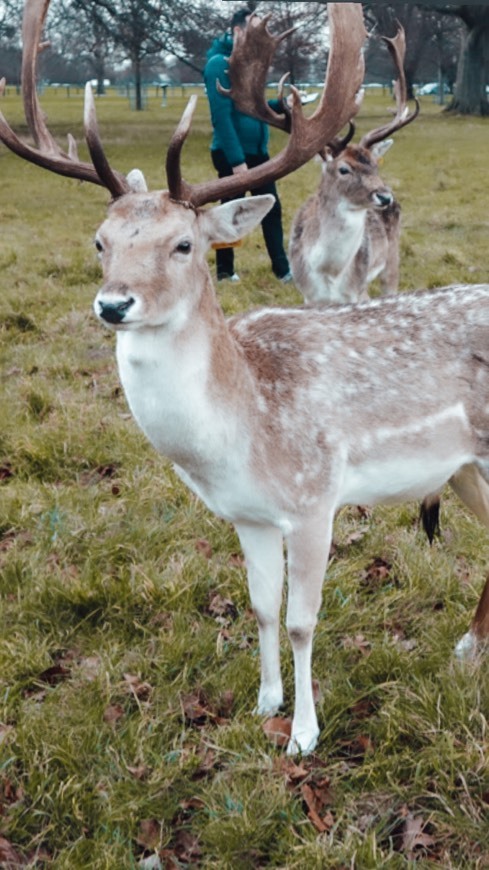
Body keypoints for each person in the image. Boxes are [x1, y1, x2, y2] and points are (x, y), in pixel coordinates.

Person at [203, 8, 292, 284]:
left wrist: (284, 106)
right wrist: (236, 161)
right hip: (232, 153)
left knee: (271, 207)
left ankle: (282, 270)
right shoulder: (219, 64)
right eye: (254, 32)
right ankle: (225, 272)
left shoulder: (249, 62)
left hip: (257, 151)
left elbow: (254, 108)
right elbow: (222, 117)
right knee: (231, 209)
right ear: (239, 31)